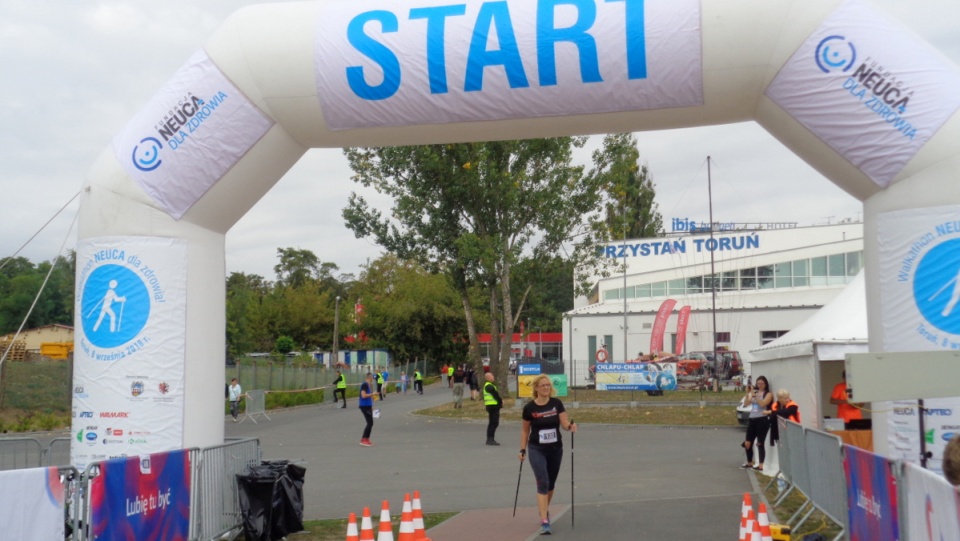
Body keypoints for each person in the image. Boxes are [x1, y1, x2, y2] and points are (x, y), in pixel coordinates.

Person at [520, 374, 577, 535]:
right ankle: (544, 519)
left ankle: (543, 510)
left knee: (550, 484)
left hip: (555, 449)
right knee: (542, 481)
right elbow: (525, 431)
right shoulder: (529, 408)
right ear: (536, 388)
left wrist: (571, 426)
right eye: (542, 385)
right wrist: (522, 450)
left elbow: (564, 424)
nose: (546, 388)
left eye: (547, 385)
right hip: (537, 449)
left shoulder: (556, 404)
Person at [741, 375, 773, 471]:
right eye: (758, 383)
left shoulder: (768, 394)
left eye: (762, 384)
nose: (760, 385)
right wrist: (749, 393)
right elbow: (746, 403)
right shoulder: (754, 392)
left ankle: (761, 465)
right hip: (752, 418)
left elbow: (763, 404)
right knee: (747, 442)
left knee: (760, 443)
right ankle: (749, 462)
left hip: (762, 419)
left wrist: (756, 396)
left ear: (765, 384)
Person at [483, 372, 503, 445]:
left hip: (492, 406)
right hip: (492, 406)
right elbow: (495, 395)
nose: (493, 377)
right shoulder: (489, 386)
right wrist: (500, 401)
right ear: (488, 378)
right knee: (494, 422)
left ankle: (490, 438)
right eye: (492, 376)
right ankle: (490, 439)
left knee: (493, 422)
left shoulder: (490, 385)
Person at [359, 372, 376, 447]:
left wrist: (371, 406)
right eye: (372, 377)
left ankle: (367, 438)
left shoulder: (369, 385)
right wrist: (372, 394)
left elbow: (368, 397)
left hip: (368, 406)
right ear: (370, 377)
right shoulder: (365, 384)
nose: (373, 379)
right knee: (370, 423)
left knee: (370, 423)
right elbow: (363, 395)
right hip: (364, 406)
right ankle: (363, 439)